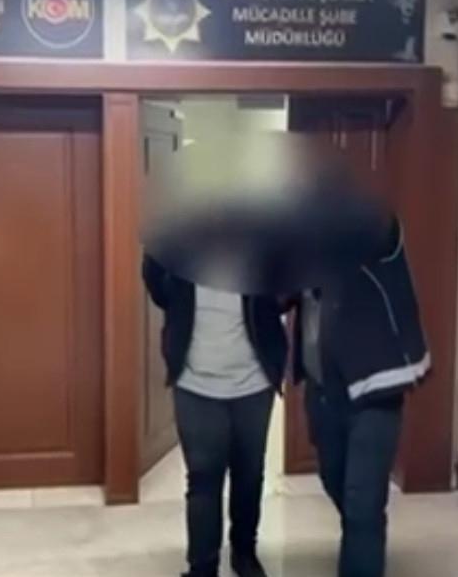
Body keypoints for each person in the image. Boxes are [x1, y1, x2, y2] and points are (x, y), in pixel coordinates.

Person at [290, 210, 430, 577]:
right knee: (335, 482)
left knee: (362, 502)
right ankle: (362, 541)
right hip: (324, 391)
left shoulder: (373, 226)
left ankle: (362, 555)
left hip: (374, 387)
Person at [142, 255, 288, 577]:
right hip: (194, 382)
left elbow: (285, 294)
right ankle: (202, 565)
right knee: (203, 477)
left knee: (249, 474)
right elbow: (158, 287)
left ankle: (244, 552)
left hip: (253, 381)